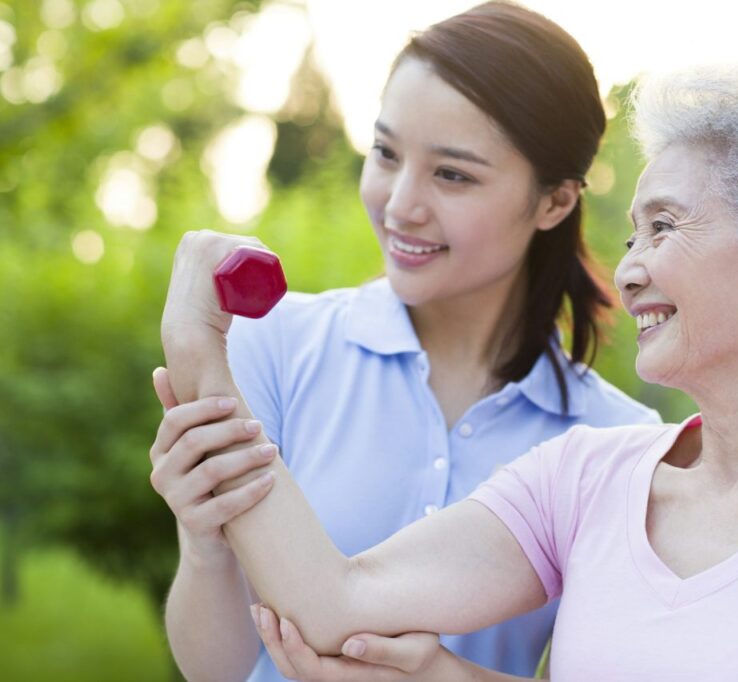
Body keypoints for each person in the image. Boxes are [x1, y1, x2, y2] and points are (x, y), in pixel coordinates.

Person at [154, 68, 738, 681]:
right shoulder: (584, 479)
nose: (630, 269)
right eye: (633, 232)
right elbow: (335, 604)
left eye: (665, 226)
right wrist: (202, 358)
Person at [147, 3, 660, 681]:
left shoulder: (616, 443)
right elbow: (219, 671)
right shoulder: (272, 346)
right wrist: (204, 541)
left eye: (452, 174)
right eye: (386, 153)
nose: (400, 205)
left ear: (554, 203)